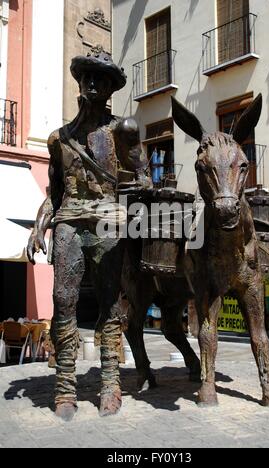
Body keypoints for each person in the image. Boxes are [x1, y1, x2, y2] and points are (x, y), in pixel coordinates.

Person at [27, 50, 151, 421]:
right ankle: (65, 385)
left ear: (111, 87)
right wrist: (38, 225)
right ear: (79, 81)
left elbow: (143, 175)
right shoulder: (58, 140)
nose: (93, 84)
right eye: (87, 77)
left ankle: (110, 382)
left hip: (107, 222)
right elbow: (55, 193)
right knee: (63, 300)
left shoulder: (122, 131)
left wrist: (139, 189)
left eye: (101, 79)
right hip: (69, 220)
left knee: (111, 304)